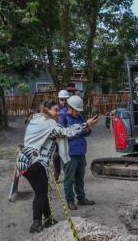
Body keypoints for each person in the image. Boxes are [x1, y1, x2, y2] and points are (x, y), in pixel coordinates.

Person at [16, 99, 98, 233]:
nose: (58, 113)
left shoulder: (37, 119)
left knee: (42, 192)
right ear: (47, 110)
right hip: (34, 162)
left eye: (59, 110)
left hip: (26, 160)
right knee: (40, 194)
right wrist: (86, 124)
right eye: (56, 110)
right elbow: (67, 132)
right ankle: (36, 224)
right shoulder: (48, 123)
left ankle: (48, 220)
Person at [60, 95, 94, 210]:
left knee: (80, 177)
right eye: (77, 111)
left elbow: (85, 132)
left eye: (80, 111)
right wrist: (80, 130)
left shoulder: (80, 116)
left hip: (80, 152)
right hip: (69, 154)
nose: (78, 113)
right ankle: (70, 200)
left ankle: (81, 198)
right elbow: (62, 135)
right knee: (69, 179)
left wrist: (87, 130)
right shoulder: (63, 117)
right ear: (70, 108)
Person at [52, 89, 70, 182]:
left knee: (66, 155)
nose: (63, 101)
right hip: (57, 135)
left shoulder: (70, 109)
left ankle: (68, 174)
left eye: (65, 99)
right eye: (62, 100)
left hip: (67, 135)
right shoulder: (56, 109)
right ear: (59, 99)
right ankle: (57, 173)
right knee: (56, 156)